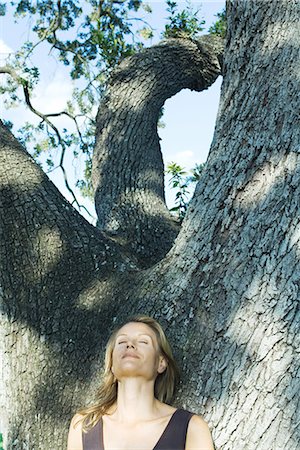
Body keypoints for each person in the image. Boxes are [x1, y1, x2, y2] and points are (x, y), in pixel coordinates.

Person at [67, 316, 214, 450]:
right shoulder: (84, 426)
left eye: (143, 341)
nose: (130, 345)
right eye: (122, 342)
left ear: (161, 363)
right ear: (111, 363)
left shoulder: (191, 428)